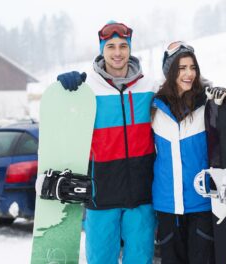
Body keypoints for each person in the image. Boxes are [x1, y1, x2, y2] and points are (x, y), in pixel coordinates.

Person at [52, 21, 157, 264]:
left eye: (123, 46)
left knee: (140, 260)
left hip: (141, 198)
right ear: (102, 50)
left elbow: (181, 91)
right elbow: (61, 119)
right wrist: (64, 92)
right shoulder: (87, 89)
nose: (118, 52)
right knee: (100, 260)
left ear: (130, 49)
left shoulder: (149, 87)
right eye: (111, 46)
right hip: (101, 197)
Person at [151, 41, 218, 264]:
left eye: (192, 67)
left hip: (201, 204)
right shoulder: (154, 109)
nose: (189, 74)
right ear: (169, 72)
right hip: (167, 206)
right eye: (181, 68)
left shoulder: (208, 104)